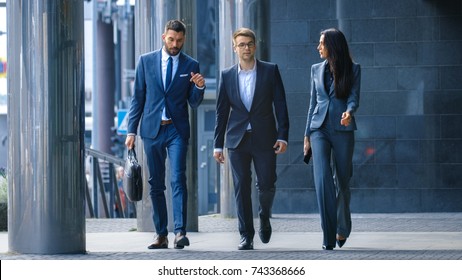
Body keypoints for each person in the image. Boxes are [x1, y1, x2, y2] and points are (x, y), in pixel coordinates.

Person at [125, 19, 206, 249]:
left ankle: (180, 232)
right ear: (164, 37)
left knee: (178, 178)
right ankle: (161, 234)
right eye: (171, 39)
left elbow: (193, 102)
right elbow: (137, 98)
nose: (175, 44)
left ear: (184, 39)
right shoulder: (146, 61)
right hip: (151, 130)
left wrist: (199, 87)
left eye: (179, 40)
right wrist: (131, 130)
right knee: (156, 183)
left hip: (176, 129)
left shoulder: (191, 64)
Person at [213, 28, 289, 250]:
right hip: (237, 140)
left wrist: (283, 136)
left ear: (255, 46)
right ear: (234, 48)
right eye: (241, 44)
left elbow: (281, 105)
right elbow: (221, 112)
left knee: (267, 183)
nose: (246, 48)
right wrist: (218, 144)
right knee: (241, 186)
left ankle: (264, 215)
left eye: (249, 44)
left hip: (265, 137)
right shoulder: (227, 75)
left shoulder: (270, 71)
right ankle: (246, 234)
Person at [304, 28, 361, 250]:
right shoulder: (315, 69)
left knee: (343, 180)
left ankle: (343, 226)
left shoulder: (353, 69)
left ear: (332, 46)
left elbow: (354, 97)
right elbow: (312, 103)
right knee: (322, 179)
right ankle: (328, 235)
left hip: (342, 127)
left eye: (321, 43)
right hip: (319, 129)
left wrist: (350, 111)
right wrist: (307, 134)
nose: (318, 47)